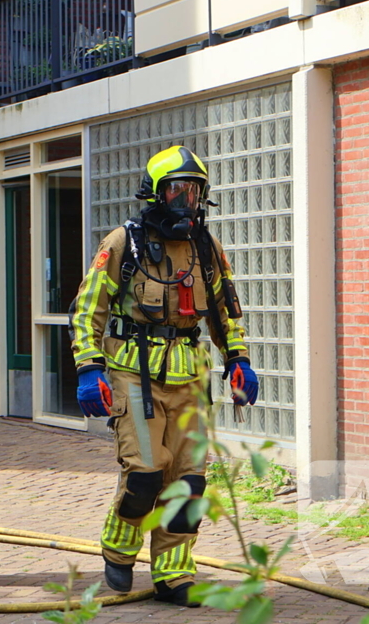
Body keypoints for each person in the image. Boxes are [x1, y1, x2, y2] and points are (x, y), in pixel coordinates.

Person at [68, 146, 259, 606]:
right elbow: (87, 310)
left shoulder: (206, 248)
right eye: (176, 190)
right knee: (145, 471)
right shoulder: (123, 243)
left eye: (194, 192)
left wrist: (238, 359)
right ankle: (119, 547)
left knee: (189, 480)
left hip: (190, 376)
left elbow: (225, 310)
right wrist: (89, 367)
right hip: (133, 372)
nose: (186, 201)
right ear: (155, 193)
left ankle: (173, 574)